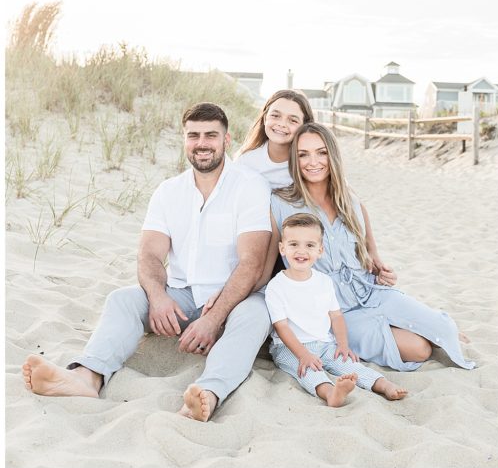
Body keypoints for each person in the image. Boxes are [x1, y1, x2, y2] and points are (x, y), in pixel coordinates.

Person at [22, 102, 272, 421]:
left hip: (233, 299)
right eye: (193, 135)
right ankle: (87, 377)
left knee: (256, 313)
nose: (202, 143)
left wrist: (214, 317)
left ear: (227, 139)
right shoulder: (169, 191)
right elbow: (150, 254)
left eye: (211, 135)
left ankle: (208, 393)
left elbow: (252, 262)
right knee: (123, 299)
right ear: (184, 139)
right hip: (181, 296)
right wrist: (158, 298)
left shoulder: (249, 186)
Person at [260, 122, 475, 372]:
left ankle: (429, 325)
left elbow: (372, 258)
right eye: (303, 154)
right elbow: (265, 269)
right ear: (294, 160)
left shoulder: (350, 199)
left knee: (444, 329)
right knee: (420, 349)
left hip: (370, 292)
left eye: (321, 152)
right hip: (335, 312)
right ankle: (416, 330)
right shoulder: (279, 204)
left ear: (332, 155)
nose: (313, 161)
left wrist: (382, 270)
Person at [265, 213, 407, 405]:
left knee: (348, 364)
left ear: (320, 250)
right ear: (282, 248)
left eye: (309, 245)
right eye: (293, 244)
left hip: (325, 343)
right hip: (289, 348)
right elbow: (281, 327)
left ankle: (383, 385)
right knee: (308, 371)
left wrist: (342, 344)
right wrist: (304, 355)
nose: (301, 251)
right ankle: (331, 393)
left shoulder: (324, 281)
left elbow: (336, 316)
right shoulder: (276, 286)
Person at [235, 89, 315, 188]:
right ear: (265, 118)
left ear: (305, 126)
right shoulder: (246, 161)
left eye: (293, 120)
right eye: (275, 115)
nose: (282, 124)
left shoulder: (310, 164)